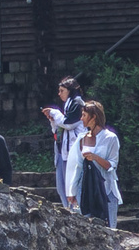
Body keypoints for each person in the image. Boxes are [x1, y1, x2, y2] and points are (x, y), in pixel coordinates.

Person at [40, 77, 84, 212]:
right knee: (61, 186)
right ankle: (68, 209)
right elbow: (59, 129)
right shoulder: (68, 105)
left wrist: (54, 113)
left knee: (72, 185)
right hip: (61, 151)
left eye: (62, 91)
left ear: (69, 91)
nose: (59, 94)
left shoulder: (77, 103)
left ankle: (76, 211)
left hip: (73, 152)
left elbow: (68, 123)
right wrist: (53, 120)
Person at [76, 100, 121, 228]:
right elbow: (76, 166)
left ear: (94, 116)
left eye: (84, 115)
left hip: (105, 189)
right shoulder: (81, 138)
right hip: (85, 189)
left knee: (110, 230)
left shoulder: (110, 138)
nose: (81, 118)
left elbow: (112, 165)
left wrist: (95, 157)